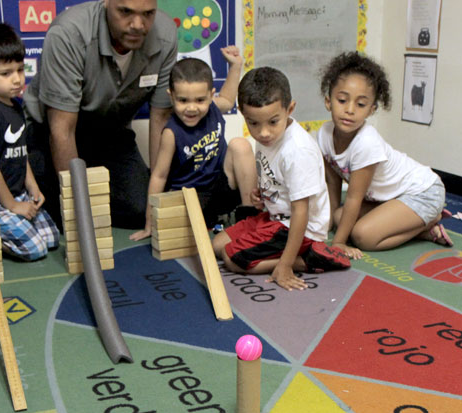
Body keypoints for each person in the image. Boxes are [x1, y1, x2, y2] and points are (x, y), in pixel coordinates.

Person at [23, 0, 179, 229]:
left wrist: (156, 197)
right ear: (107, 3)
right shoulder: (68, 33)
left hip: (112, 133)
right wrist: (79, 210)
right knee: (62, 217)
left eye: (148, 14)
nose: (138, 24)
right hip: (55, 132)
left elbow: (161, 118)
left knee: (140, 210)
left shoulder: (165, 35)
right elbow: (62, 130)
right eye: (125, 12)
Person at [212, 67, 350, 291]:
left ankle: (307, 259)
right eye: (253, 123)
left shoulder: (297, 151)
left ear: (290, 109)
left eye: (272, 122)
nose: (263, 132)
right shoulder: (268, 138)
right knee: (217, 245)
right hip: (275, 217)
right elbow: (276, 179)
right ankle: (295, 252)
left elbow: (301, 212)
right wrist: (263, 195)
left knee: (232, 259)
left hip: (300, 227)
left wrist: (285, 265)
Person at [318, 51, 452, 259]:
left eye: (361, 104)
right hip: (389, 197)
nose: (350, 110)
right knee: (337, 217)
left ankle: (427, 224)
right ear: (328, 101)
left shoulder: (366, 144)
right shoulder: (323, 135)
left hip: (422, 192)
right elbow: (332, 184)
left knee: (364, 237)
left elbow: (354, 198)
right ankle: (410, 220)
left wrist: (338, 243)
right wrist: (326, 227)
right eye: (342, 100)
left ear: (372, 110)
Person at [129, 47, 257, 240]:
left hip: (220, 188)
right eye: (182, 100)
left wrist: (235, 66)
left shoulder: (213, 107)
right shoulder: (171, 133)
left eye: (199, 100)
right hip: (190, 197)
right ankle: (212, 222)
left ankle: (250, 217)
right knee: (189, 228)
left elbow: (229, 100)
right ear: (171, 96)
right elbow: (159, 176)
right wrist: (150, 222)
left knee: (241, 144)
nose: (191, 107)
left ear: (210, 95)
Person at [0, 23, 59, 261]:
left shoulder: (15, 104)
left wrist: (33, 188)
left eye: (20, 70)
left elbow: (19, 152)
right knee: (35, 250)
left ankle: (10, 226)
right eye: (6, 74)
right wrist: (12, 206)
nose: (17, 79)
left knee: (52, 240)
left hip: (18, 195)